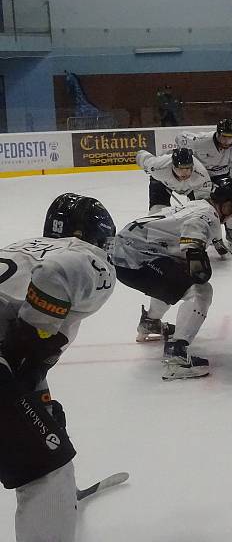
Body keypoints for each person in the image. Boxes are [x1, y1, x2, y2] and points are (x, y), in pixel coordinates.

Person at [0, 193, 116, 542]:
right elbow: (58, 273)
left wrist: (36, 393)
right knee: (46, 471)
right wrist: (25, 341)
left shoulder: (19, 247)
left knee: (43, 429)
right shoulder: (86, 257)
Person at [113, 178, 232, 380]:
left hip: (128, 252)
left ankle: (150, 323)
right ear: (225, 202)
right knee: (201, 290)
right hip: (136, 258)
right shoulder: (207, 216)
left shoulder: (199, 204)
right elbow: (194, 250)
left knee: (173, 278)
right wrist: (198, 264)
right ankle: (176, 357)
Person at [176, 118, 232, 250]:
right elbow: (180, 137)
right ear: (217, 134)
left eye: (230, 138)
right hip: (200, 177)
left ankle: (230, 230)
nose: (227, 142)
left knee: (230, 203)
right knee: (202, 209)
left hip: (221, 176)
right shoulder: (200, 141)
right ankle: (214, 238)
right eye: (224, 138)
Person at [136, 148, 213, 214]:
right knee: (157, 212)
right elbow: (142, 156)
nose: (184, 173)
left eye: (187, 168)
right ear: (173, 166)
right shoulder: (158, 167)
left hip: (192, 188)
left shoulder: (201, 176)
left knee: (199, 211)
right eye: (180, 168)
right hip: (162, 183)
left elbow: (203, 204)